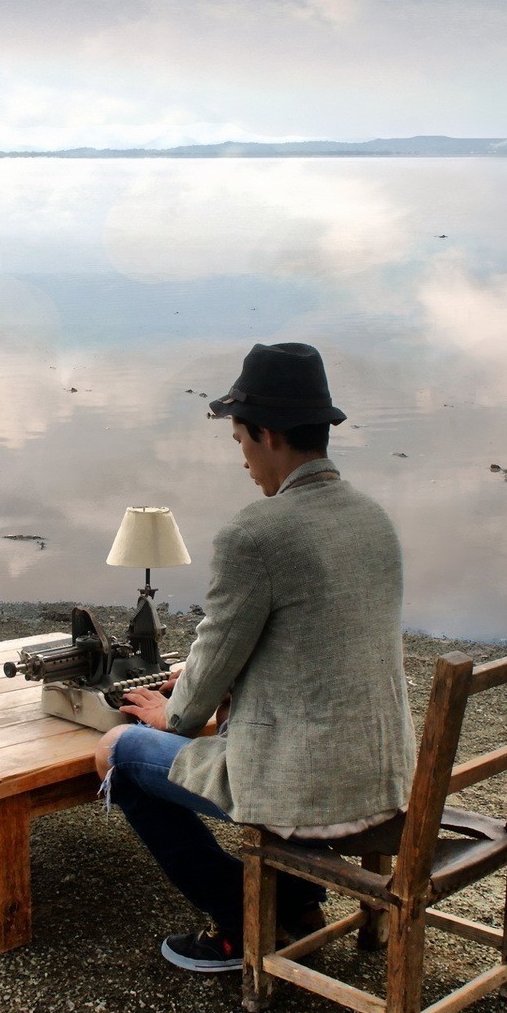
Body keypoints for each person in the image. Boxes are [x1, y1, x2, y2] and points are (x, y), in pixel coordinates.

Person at [93, 342, 416, 972]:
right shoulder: (374, 518)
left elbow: (208, 667)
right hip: (382, 775)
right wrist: (215, 676)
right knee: (163, 733)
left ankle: (243, 923)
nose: (242, 458)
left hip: (304, 784)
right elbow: (316, 641)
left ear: (267, 435)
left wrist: (172, 713)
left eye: (240, 440)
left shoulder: (255, 534)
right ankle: (294, 897)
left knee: (117, 753)